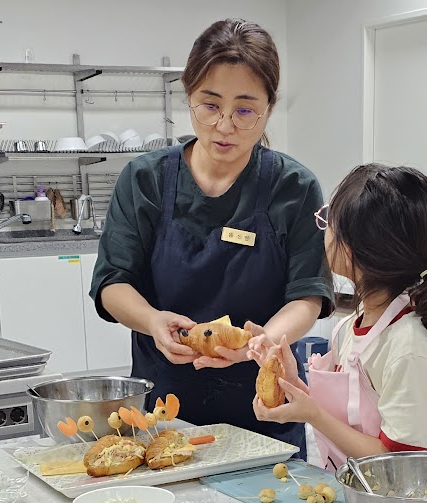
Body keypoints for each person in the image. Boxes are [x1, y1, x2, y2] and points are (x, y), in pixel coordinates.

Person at [91, 18, 331, 453]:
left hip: (264, 413)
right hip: (164, 416)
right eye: (210, 105)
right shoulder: (145, 180)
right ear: (188, 97)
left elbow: (307, 296)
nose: (224, 125)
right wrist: (152, 321)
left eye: (245, 110)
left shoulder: (294, 187)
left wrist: (261, 342)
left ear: (269, 108)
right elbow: (112, 283)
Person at [249, 164, 427, 467]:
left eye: (328, 221)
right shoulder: (349, 327)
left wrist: (312, 414)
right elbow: (346, 420)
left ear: (351, 249)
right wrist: (292, 383)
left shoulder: (407, 348)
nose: (324, 230)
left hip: (394, 495)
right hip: (350, 487)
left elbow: (399, 460)